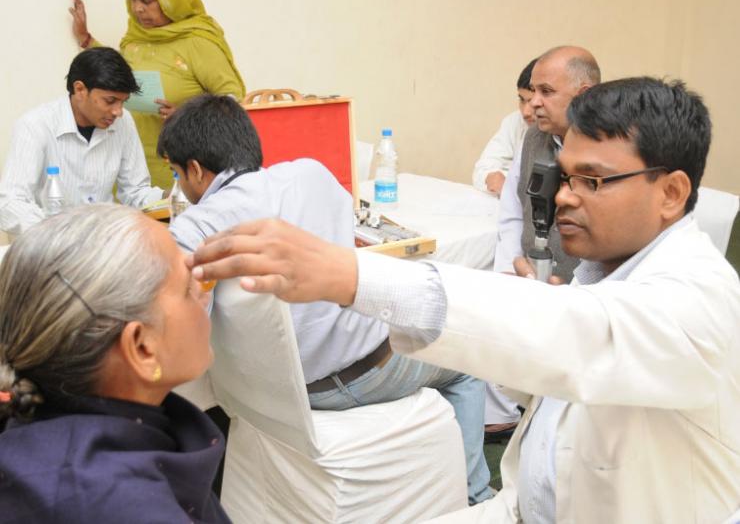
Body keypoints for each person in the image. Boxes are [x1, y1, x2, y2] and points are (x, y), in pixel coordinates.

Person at [186, 78, 740, 523]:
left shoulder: (701, 299)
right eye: (564, 177)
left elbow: (580, 336)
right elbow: (540, 479)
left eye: (592, 182)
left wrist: (351, 274)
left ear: (670, 193)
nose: (565, 197)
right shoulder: (601, 279)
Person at [161, 94, 493, 505]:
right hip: (365, 372)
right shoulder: (312, 174)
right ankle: (478, 496)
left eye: (177, 175)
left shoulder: (199, 223)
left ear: (195, 170)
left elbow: (174, 291)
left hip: (274, 395)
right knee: (467, 363)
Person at [0, 204, 230, 522]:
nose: (204, 295)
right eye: (187, 289)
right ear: (141, 348)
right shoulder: (128, 510)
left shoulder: (39, 421)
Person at [69, 0, 246, 189]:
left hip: (183, 164)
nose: (137, 8)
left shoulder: (198, 41)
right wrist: (86, 39)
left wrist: (187, 115)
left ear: (172, 1)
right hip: (132, 159)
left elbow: (233, 99)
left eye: (146, 0)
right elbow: (119, 73)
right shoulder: (136, 36)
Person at [0, 47, 163, 236]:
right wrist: (60, 233)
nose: (118, 111)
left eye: (123, 102)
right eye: (110, 101)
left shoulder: (123, 122)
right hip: (49, 245)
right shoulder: (35, 125)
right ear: (80, 90)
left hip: (102, 241)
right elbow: (9, 203)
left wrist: (174, 196)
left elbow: (135, 193)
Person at [494, 46, 600, 282]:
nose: (533, 103)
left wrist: (576, 291)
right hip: (528, 282)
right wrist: (508, 271)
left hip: (581, 295)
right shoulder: (532, 138)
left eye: (546, 91)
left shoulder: (610, 151)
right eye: (533, 91)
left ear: (584, 96)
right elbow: (512, 210)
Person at [472, 58, 536, 196]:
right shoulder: (514, 121)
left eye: (532, 102)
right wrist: (497, 180)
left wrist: (510, 183)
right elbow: (482, 169)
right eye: (522, 100)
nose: (525, 112)